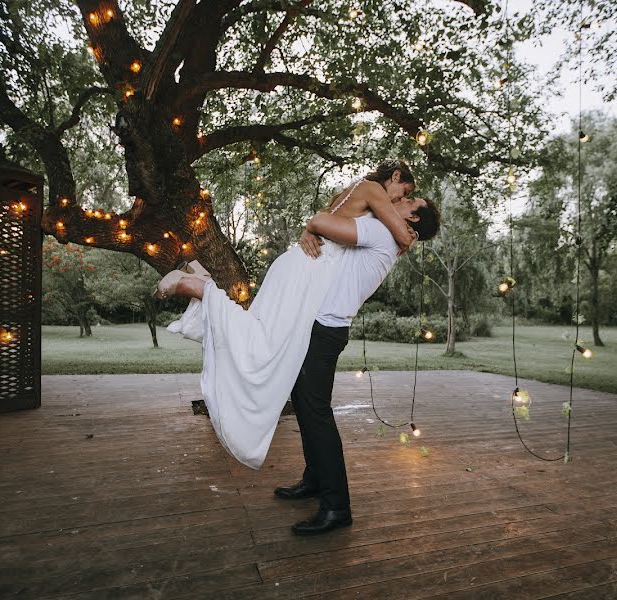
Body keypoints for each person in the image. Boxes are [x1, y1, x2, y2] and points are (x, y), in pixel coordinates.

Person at [155, 160, 441, 530]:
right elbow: (331, 226)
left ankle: (337, 507)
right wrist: (312, 230)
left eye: (409, 202)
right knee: (307, 409)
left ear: (413, 219)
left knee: (315, 411)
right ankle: (315, 480)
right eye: (406, 195)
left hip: (324, 331)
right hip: (319, 325)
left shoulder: (383, 230)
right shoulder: (384, 227)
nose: (402, 201)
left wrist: (313, 227)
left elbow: (327, 223)